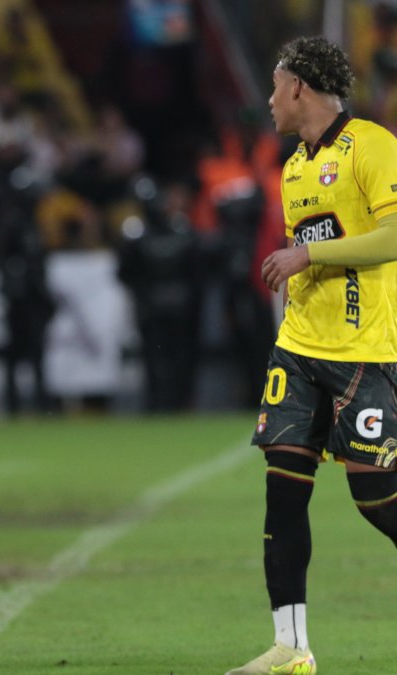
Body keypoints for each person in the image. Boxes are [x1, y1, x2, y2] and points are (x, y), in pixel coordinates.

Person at [227, 37, 397, 675]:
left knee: (378, 496)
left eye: (274, 87)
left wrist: (308, 256)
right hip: (299, 349)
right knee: (283, 491)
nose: (268, 101)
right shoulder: (293, 164)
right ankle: (290, 649)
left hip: (365, 352)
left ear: (298, 86)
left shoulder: (373, 146)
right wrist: (301, 272)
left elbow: (393, 235)